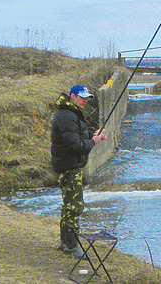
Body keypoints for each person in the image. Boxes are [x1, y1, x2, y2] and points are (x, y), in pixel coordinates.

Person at [51, 84, 107, 258]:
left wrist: (92, 134)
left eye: (86, 98)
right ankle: (72, 246)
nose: (85, 101)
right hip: (69, 165)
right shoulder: (66, 116)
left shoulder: (69, 113)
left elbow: (77, 134)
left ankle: (65, 242)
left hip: (68, 164)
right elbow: (75, 146)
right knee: (75, 206)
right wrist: (95, 141)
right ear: (73, 96)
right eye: (82, 98)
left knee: (68, 204)